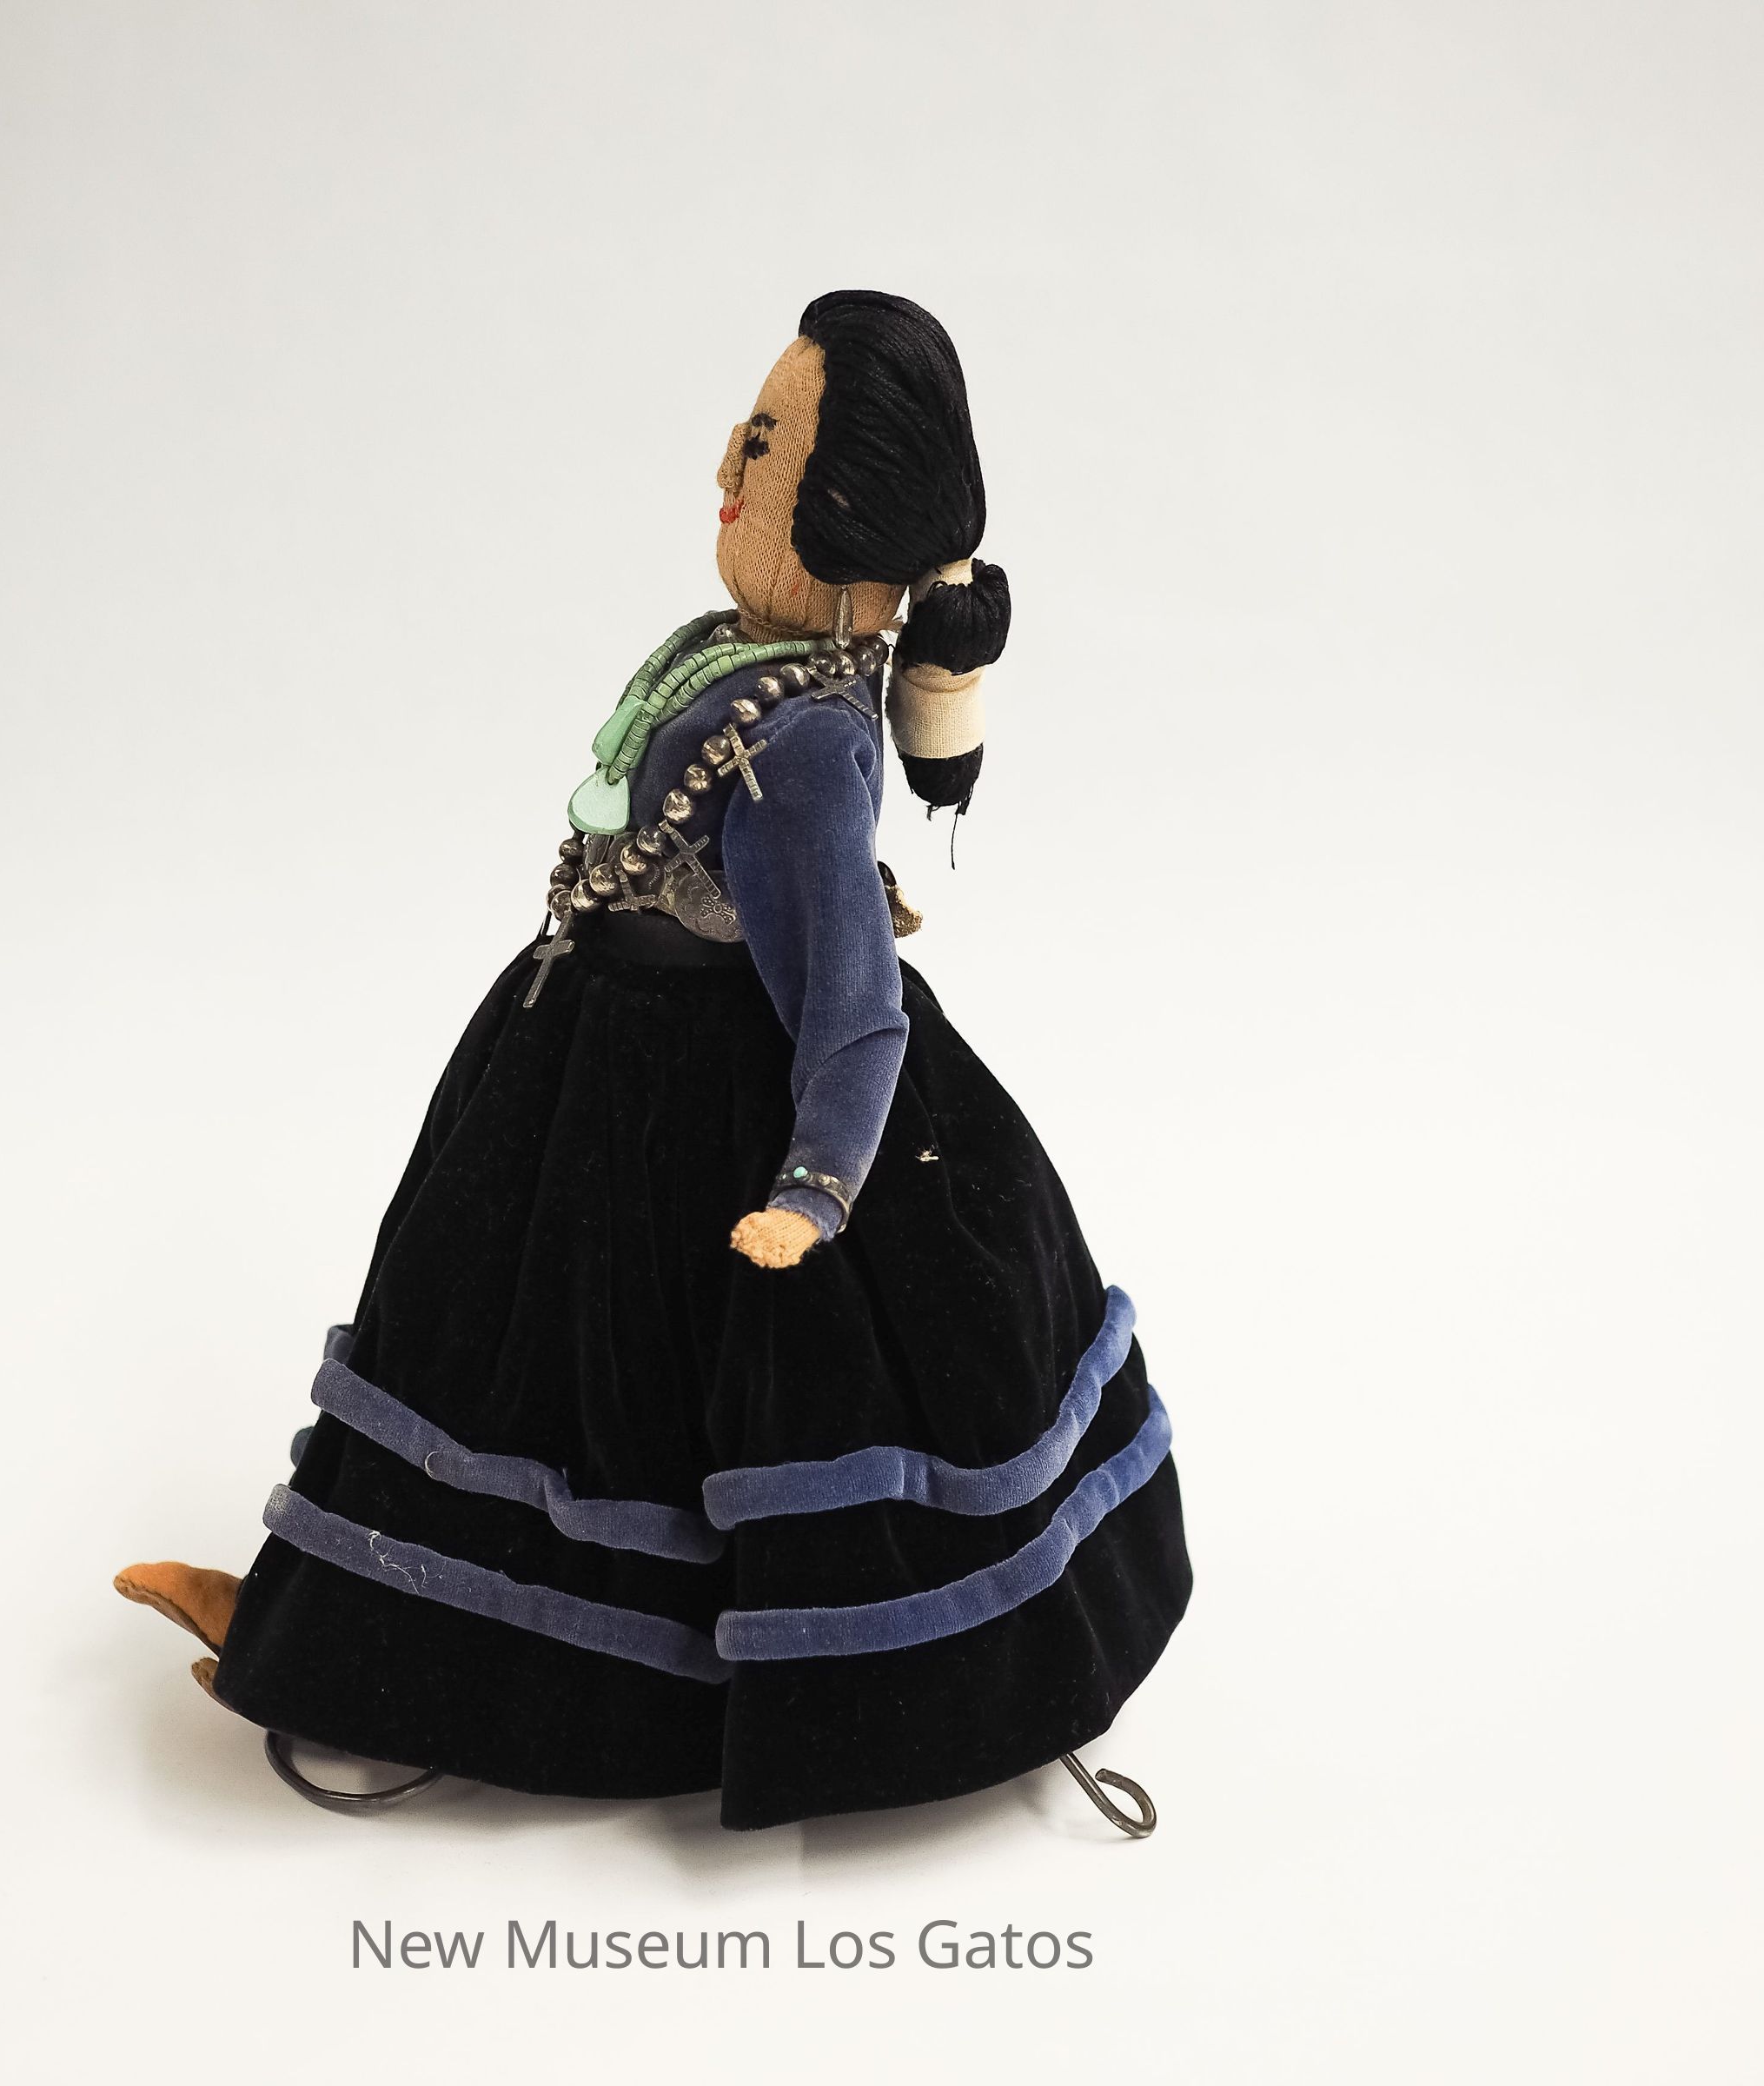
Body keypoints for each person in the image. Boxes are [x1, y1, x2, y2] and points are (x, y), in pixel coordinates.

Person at [117, 291, 1191, 1833]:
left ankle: (393, 1663)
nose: (726, 471)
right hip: (589, 1040)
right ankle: (338, 1617)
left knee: (602, 1385)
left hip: (710, 1095)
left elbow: (856, 1004)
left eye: (763, 445)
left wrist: (816, 1189)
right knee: (467, 1334)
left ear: (841, 507)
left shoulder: (810, 741)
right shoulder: (736, 658)